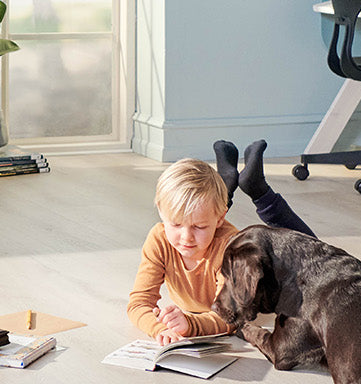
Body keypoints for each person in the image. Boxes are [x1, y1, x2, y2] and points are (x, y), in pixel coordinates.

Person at [126, 140, 315, 344]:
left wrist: (191, 325)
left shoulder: (232, 248)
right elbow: (138, 303)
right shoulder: (160, 238)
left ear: (221, 219)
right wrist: (158, 329)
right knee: (205, 211)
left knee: (311, 256)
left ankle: (258, 189)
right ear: (161, 214)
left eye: (198, 227)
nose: (186, 237)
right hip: (214, 222)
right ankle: (226, 179)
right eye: (176, 224)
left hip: (272, 281)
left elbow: (232, 318)